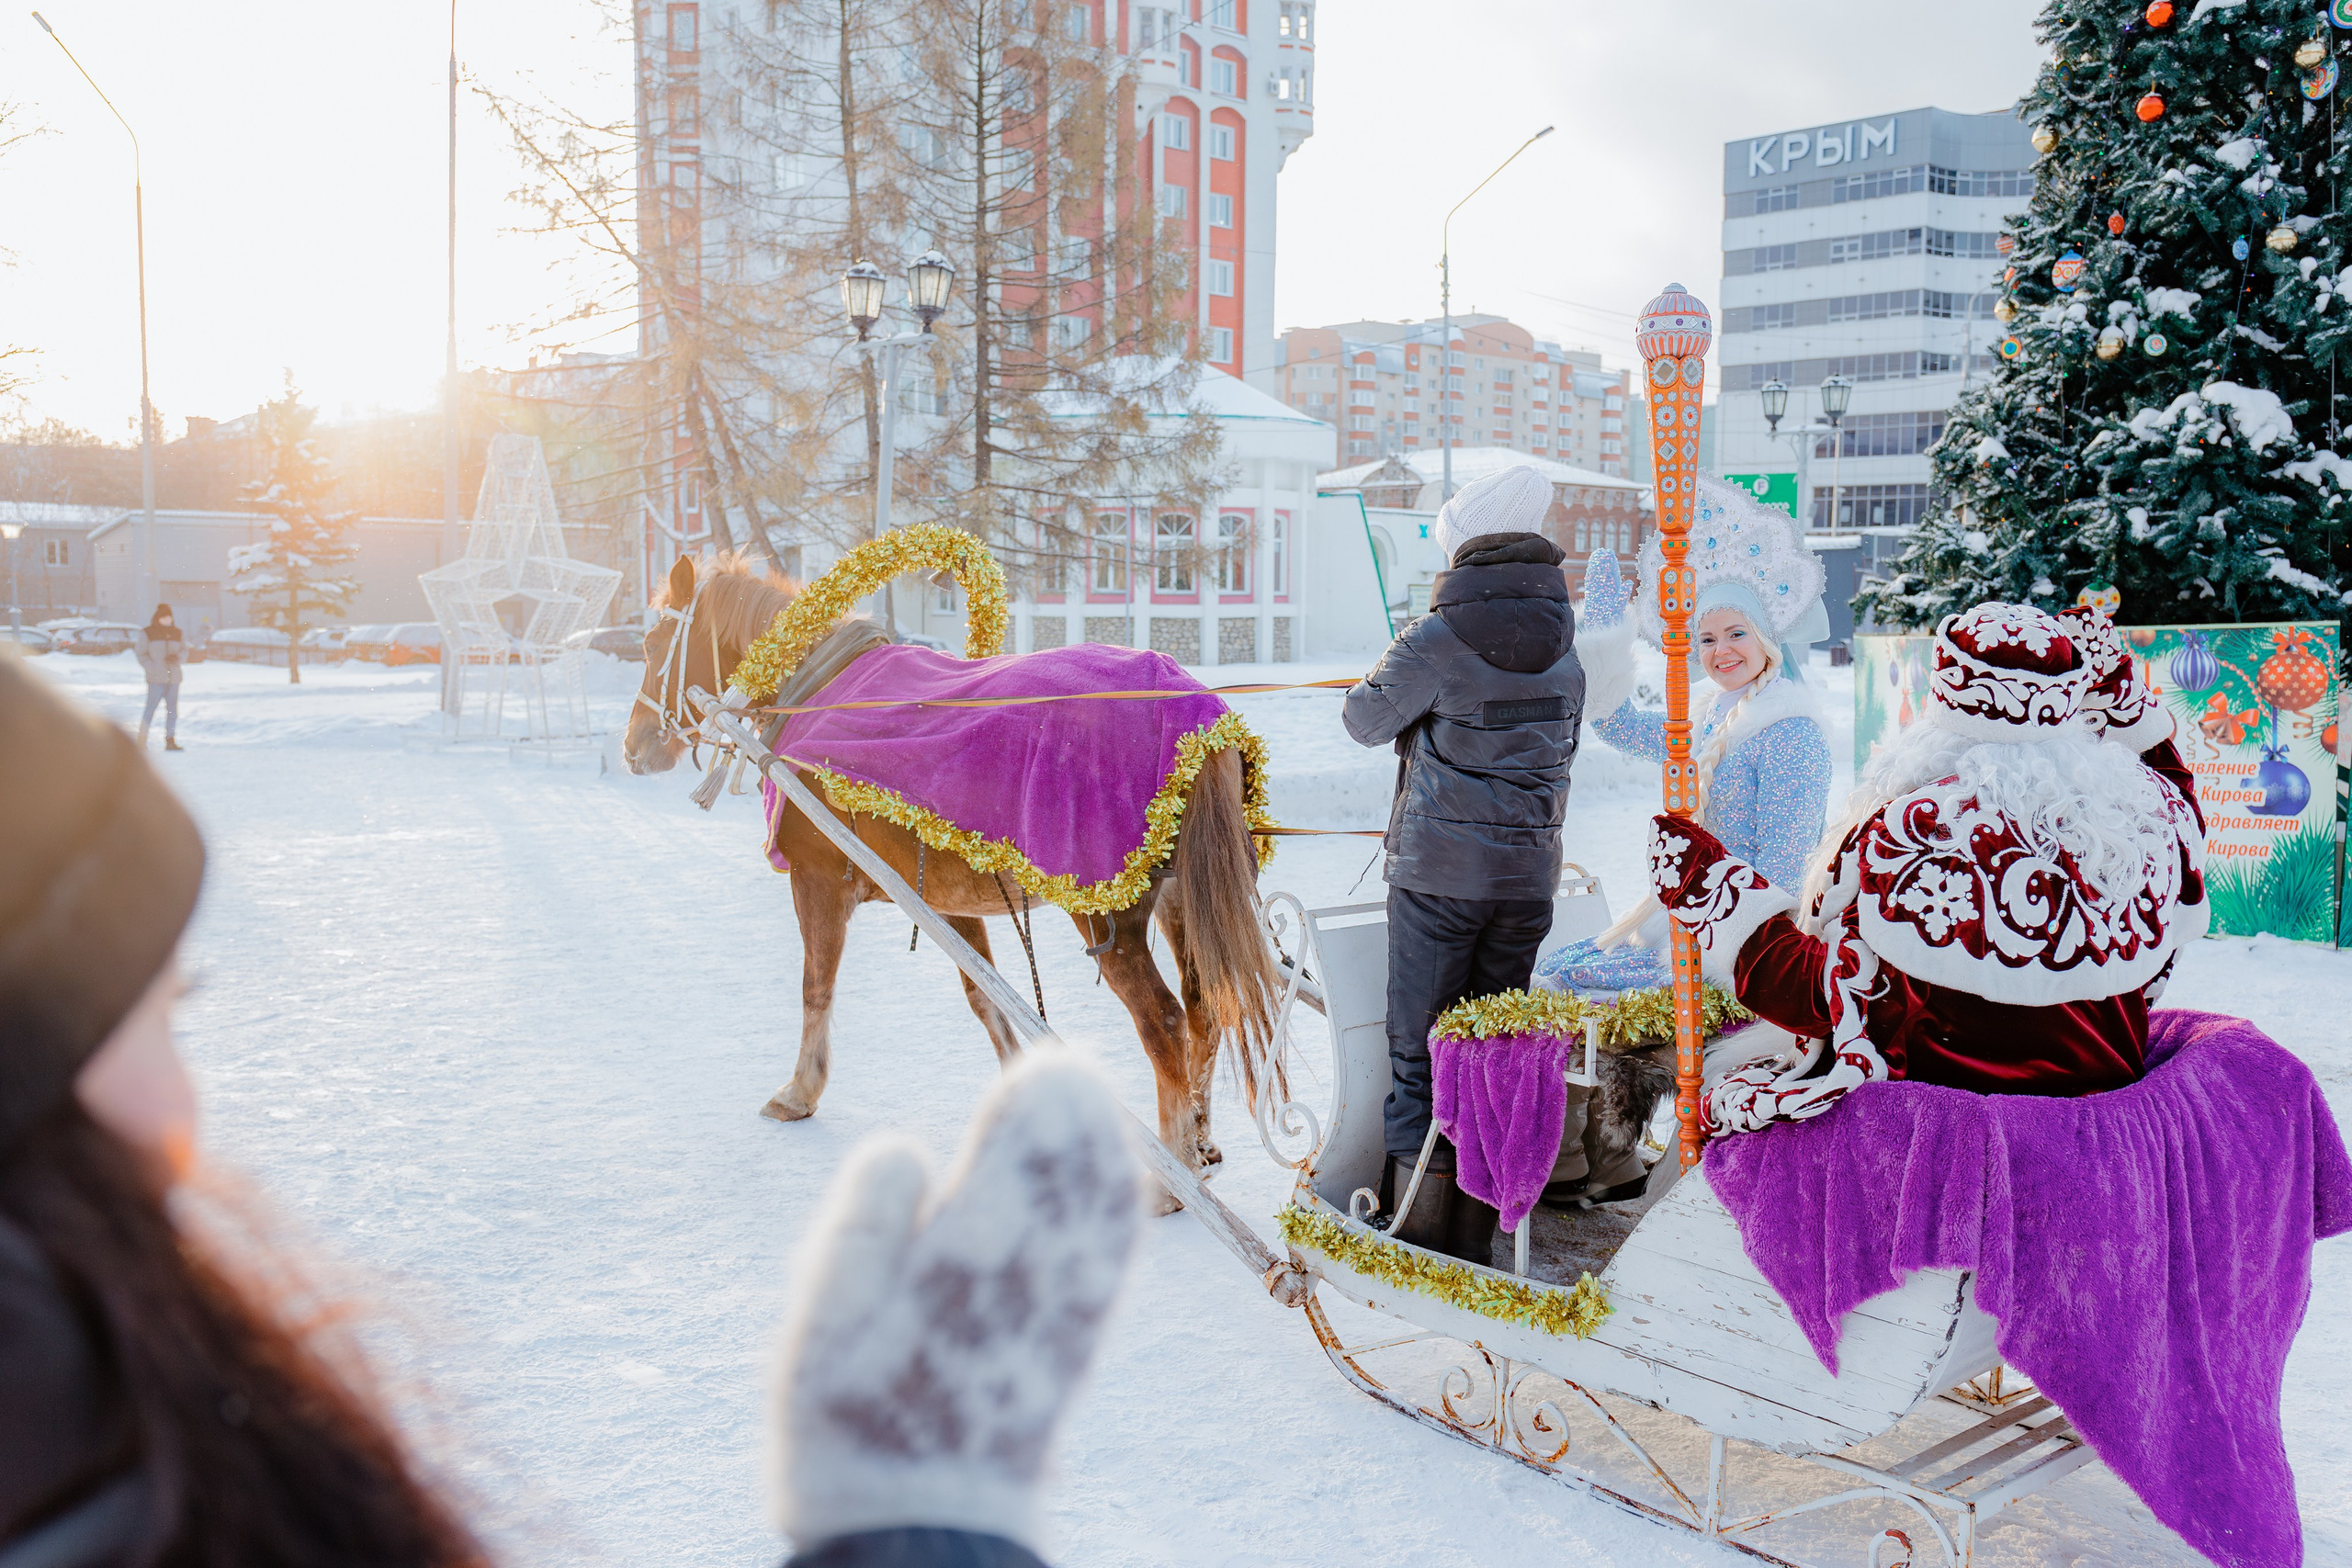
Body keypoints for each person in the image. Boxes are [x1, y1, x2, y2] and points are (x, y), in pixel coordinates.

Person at [1643, 602, 2206, 1134]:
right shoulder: (2143, 819)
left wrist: (1709, 885)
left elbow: (1821, 995)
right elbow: (2177, 789)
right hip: (2105, 1109)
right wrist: (2120, 694)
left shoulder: (1914, 830)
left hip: (1942, 1121)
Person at [1532, 480, 1832, 1205]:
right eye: (1706, 637)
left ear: (1766, 635)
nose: (1721, 650)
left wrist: (1698, 929)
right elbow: (1624, 727)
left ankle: (1600, 1158)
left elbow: (1781, 875)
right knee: (1566, 971)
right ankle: (1597, 1163)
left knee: (1589, 988)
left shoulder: (1788, 730)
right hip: (1690, 921)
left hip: (1744, 944)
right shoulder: (1716, 711)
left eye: (1736, 633)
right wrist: (1604, 644)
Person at [1341, 464, 1584, 1264]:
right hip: (1527, 884)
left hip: (1441, 878)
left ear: (1464, 552)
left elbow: (1363, 719)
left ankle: (1416, 1233)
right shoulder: (1565, 640)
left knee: (1423, 1050)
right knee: (1490, 1050)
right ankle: (1483, 1230)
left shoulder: (1436, 639)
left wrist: (1389, 663)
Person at [134, 603, 184, 751]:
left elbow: (184, 650)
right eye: (164, 617)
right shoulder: (148, 633)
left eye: (169, 617)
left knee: (172, 711)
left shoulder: (177, 633)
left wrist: (178, 658)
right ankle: (142, 739)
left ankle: (170, 739)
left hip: (173, 678)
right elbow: (141, 653)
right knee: (150, 709)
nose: (167, 620)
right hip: (156, 678)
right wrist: (152, 667)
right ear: (158, 618)